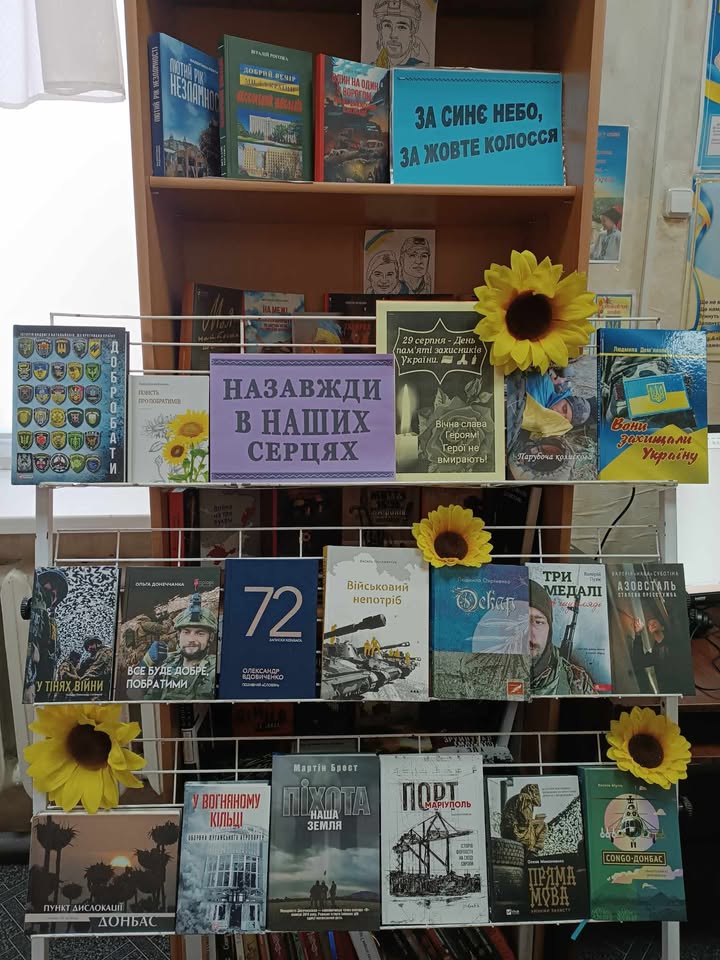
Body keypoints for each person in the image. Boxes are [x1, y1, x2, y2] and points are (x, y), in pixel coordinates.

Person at [141, 588, 218, 701]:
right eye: (186, 632)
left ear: (210, 638)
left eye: (200, 633)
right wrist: (146, 662)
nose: (191, 639)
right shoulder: (168, 663)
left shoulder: (215, 669)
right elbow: (136, 695)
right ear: (178, 635)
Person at [528, 579, 595, 695]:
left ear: (549, 629)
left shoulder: (576, 680)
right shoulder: (495, 673)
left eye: (538, 622)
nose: (529, 634)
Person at [372, 0, 431, 68]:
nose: (393, 35)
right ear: (380, 29)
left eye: (401, 27)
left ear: (412, 31)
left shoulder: (420, 68)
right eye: (387, 25)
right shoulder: (373, 67)